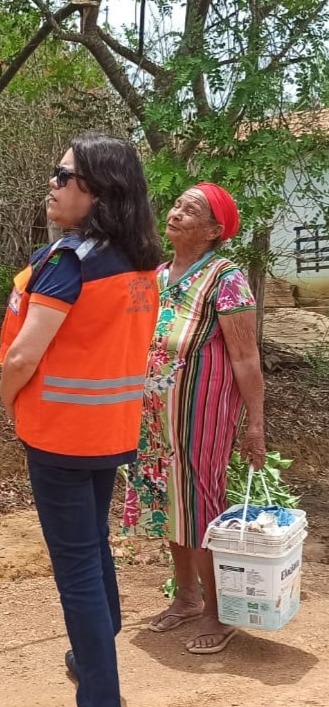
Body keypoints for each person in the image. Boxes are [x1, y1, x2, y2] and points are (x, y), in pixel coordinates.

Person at [0, 132, 161, 707]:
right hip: (108, 433)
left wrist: (10, 403)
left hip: (61, 436)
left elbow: (22, 358)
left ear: (99, 191)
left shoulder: (71, 263)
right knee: (91, 549)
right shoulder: (139, 264)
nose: (53, 183)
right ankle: (96, 646)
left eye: (64, 176)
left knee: (77, 574)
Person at [123, 182, 266, 655]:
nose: (178, 213)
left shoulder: (227, 278)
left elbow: (246, 358)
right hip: (153, 416)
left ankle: (219, 611)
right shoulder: (158, 275)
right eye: (178, 205)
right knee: (168, 501)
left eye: (192, 210)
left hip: (200, 416)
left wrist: (254, 424)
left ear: (213, 230)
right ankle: (186, 596)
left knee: (201, 506)